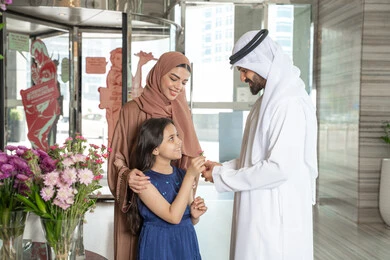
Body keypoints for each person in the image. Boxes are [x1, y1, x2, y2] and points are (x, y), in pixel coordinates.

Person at [201, 29, 318, 259]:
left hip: (275, 217)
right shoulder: (267, 101)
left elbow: (278, 168)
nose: (242, 78)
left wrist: (222, 176)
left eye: (244, 70)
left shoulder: (288, 103)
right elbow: (255, 155)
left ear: (263, 64)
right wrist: (221, 168)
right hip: (259, 209)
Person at [108, 51, 202, 260]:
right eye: (173, 78)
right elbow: (117, 156)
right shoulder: (132, 110)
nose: (178, 87)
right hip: (140, 197)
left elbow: (189, 152)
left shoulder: (181, 112)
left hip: (176, 202)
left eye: (184, 82)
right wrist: (127, 174)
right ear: (158, 74)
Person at [131, 117, 207, 259]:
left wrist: (195, 215)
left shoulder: (182, 175)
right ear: (155, 149)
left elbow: (188, 218)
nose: (179, 141)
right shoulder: (144, 182)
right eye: (171, 138)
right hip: (159, 245)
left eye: (177, 135)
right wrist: (190, 176)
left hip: (186, 241)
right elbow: (173, 216)